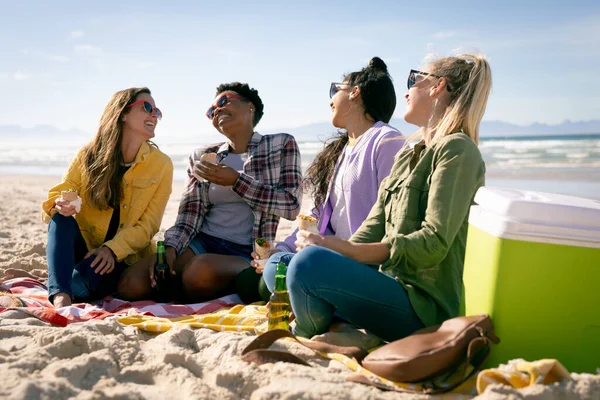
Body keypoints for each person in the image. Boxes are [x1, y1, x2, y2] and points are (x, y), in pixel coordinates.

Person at [264, 54, 492, 342]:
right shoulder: (410, 153)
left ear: (438, 86)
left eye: (414, 79)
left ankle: (307, 329)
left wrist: (345, 253)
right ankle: (332, 320)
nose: (407, 91)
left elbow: (433, 242)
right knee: (286, 264)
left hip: (419, 304)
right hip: (383, 284)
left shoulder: (457, 150)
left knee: (306, 266)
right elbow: (371, 227)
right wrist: (332, 250)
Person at [117, 82, 302, 303]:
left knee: (198, 274)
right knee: (130, 284)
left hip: (246, 251)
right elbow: (189, 214)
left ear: (250, 106)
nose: (217, 111)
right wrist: (171, 248)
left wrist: (237, 181)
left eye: (223, 102)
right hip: (201, 241)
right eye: (211, 111)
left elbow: (290, 206)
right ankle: (182, 288)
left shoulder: (280, 144)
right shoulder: (203, 155)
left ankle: (187, 287)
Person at [255, 57, 405, 297]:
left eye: (336, 89)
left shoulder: (386, 140)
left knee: (285, 274)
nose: (330, 99)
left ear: (355, 92)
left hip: (363, 264)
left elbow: (395, 216)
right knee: (275, 266)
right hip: (331, 256)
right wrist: (281, 248)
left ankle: (319, 308)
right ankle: (320, 309)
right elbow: (320, 219)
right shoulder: (342, 151)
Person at [41, 87, 173, 308]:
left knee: (88, 275)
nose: (154, 115)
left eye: (157, 111)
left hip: (120, 258)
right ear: (122, 113)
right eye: (147, 107)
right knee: (59, 220)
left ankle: (58, 282)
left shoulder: (162, 165)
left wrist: (112, 249)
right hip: (83, 248)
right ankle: (61, 297)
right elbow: (63, 190)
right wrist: (60, 204)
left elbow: (148, 226)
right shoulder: (88, 155)